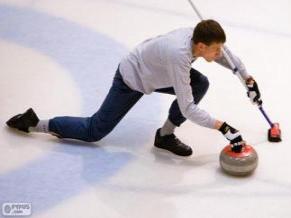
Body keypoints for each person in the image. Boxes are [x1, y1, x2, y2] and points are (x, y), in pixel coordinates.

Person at [6, 20, 262, 156]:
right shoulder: (179, 55)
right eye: (215, 49)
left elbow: (226, 56)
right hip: (133, 78)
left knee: (200, 83)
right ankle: (35, 122)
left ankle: (164, 136)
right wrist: (224, 128)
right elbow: (187, 107)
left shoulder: (197, 38)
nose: (219, 53)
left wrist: (248, 80)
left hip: (156, 73)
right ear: (202, 46)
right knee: (94, 130)